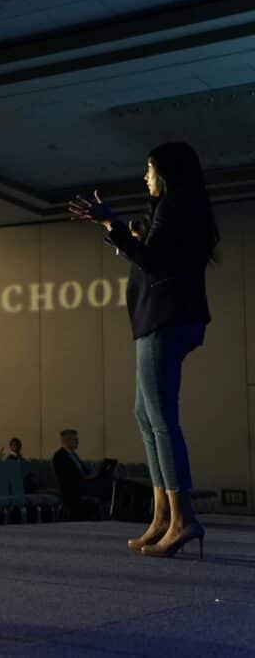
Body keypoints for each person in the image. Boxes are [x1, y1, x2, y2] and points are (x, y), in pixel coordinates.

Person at [69, 141, 218, 558]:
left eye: (149, 169)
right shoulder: (183, 207)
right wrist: (133, 233)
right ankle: (163, 517)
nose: (145, 177)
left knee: (162, 420)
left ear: (165, 173)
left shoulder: (173, 206)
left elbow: (152, 262)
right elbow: (162, 257)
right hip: (171, 319)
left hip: (164, 320)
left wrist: (111, 223)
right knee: (146, 415)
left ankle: (182, 520)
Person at [52, 429, 115, 520]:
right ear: (67, 440)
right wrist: (87, 477)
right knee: (107, 486)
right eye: (75, 439)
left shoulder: (74, 456)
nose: (78, 442)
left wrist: (95, 474)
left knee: (109, 481)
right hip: (74, 488)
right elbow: (69, 478)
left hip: (83, 483)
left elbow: (85, 472)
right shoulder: (59, 456)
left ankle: (107, 511)